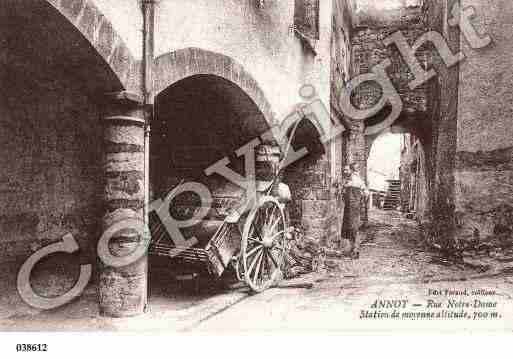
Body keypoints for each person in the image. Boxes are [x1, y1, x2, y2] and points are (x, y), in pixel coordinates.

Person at [342, 162, 369, 259]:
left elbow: (366, 193)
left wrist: (360, 202)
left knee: (353, 228)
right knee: (349, 228)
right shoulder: (348, 180)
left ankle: (355, 251)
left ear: (351, 170)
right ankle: (351, 249)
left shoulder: (356, 180)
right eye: (344, 170)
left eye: (347, 170)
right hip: (348, 208)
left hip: (354, 208)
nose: (345, 172)